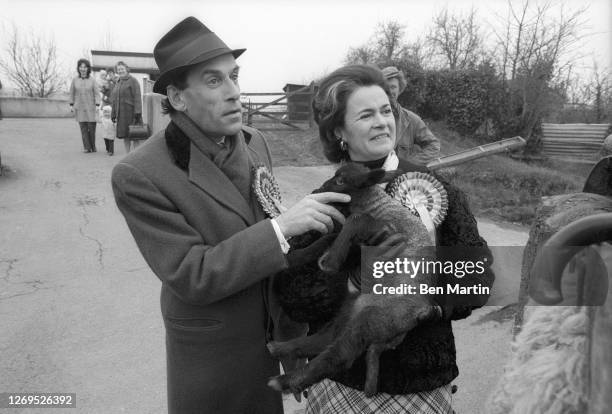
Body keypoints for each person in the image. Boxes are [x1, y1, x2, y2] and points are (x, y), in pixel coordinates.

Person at [111, 16, 349, 414]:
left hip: (272, 338)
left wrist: (295, 342)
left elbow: (276, 258)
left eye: (234, 76)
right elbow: (192, 274)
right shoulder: (139, 173)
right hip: (212, 353)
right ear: (178, 96)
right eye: (214, 80)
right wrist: (281, 229)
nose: (234, 92)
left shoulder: (254, 142)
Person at [300, 64, 494, 413]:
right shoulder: (324, 202)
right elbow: (295, 293)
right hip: (342, 384)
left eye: (386, 111)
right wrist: (352, 283)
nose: (381, 121)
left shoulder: (435, 188)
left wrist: (425, 305)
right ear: (339, 130)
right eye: (366, 115)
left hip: (418, 384)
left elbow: (477, 278)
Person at [381, 66, 440, 165]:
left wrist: (409, 165)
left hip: (400, 178)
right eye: (385, 87)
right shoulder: (371, 118)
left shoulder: (412, 120)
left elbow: (433, 145)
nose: (390, 91)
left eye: (393, 87)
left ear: (400, 89)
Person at [69, 59, 100, 153]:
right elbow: (71, 93)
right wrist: (71, 104)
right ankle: (87, 148)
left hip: (90, 107)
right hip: (79, 107)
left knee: (91, 128)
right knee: (83, 129)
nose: (83, 69)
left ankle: (93, 147)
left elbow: (97, 93)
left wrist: (97, 104)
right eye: (81, 67)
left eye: (85, 67)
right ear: (78, 68)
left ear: (88, 68)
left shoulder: (92, 80)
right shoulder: (75, 80)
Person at [111, 61, 142, 154]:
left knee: (135, 135)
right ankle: (127, 155)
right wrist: (113, 113)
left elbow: (137, 96)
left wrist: (138, 113)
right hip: (121, 114)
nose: (120, 71)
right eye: (118, 69)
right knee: (125, 136)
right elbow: (114, 99)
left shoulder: (133, 81)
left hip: (132, 113)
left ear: (126, 69)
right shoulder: (118, 82)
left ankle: (136, 156)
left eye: (122, 69)